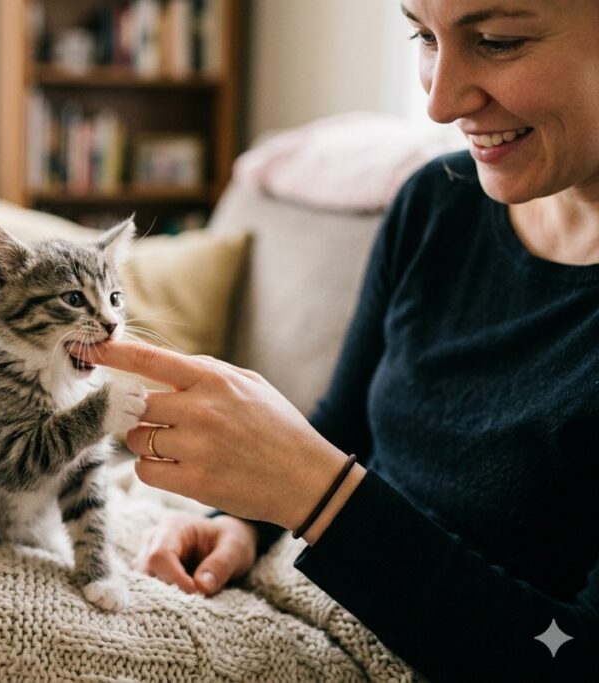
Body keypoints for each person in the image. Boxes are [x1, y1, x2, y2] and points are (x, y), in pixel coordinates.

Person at [77, 0, 599, 679]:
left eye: (498, 41)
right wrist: (243, 522)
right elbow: (344, 422)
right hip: (298, 590)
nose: (439, 104)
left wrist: (315, 494)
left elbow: (569, 656)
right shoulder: (436, 204)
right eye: (423, 36)